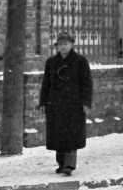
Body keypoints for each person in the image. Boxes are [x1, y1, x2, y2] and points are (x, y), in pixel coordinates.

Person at [39, 32, 93, 176]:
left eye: (66, 44)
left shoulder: (80, 61)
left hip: (74, 105)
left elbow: (87, 83)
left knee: (72, 134)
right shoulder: (51, 62)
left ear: (72, 44)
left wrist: (86, 103)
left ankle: (69, 165)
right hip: (55, 105)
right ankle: (61, 163)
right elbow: (46, 83)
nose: (63, 47)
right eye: (60, 44)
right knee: (58, 135)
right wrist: (43, 101)